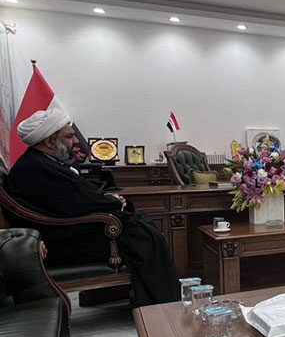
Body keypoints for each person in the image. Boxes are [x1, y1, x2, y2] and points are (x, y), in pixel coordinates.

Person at [6, 107, 180, 306]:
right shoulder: (37, 168)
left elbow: (76, 198)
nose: (76, 141)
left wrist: (110, 200)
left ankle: (152, 298)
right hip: (60, 242)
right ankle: (161, 304)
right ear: (50, 141)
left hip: (64, 233)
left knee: (141, 227)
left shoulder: (40, 162)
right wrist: (114, 202)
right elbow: (77, 202)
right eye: (69, 136)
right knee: (142, 235)